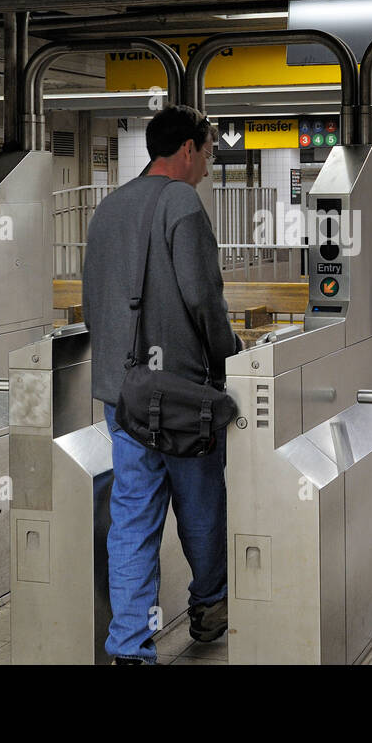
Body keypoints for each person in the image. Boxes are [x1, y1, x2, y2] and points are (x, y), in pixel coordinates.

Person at [82, 104, 241, 664]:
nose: (209, 163)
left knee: (132, 514)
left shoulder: (107, 209)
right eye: (209, 151)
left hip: (123, 397)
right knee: (200, 507)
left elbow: (91, 304)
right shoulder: (182, 203)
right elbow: (203, 297)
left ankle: (128, 647)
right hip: (183, 396)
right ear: (187, 150)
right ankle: (209, 605)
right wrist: (229, 355)